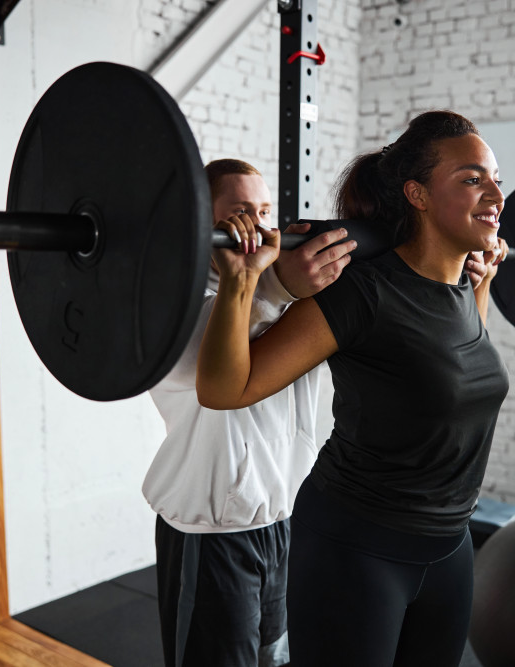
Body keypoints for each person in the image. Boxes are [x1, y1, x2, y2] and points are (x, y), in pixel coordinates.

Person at [195, 111, 511, 667]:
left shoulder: (463, 288)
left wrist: (480, 285)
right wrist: (242, 281)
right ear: (417, 194)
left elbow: (452, 376)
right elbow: (226, 389)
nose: (495, 194)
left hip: (450, 545)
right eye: (471, 178)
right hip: (358, 547)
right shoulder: (363, 294)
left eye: (495, 179)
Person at [142, 158, 355, 667]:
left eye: (263, 212)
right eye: (238, 214)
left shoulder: (278, 299)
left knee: (274, 660)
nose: (257, 229)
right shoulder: (176, 305)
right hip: (211, 533)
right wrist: (274, 287)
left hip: (281, 522)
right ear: (202, 224)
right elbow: (214, 371)